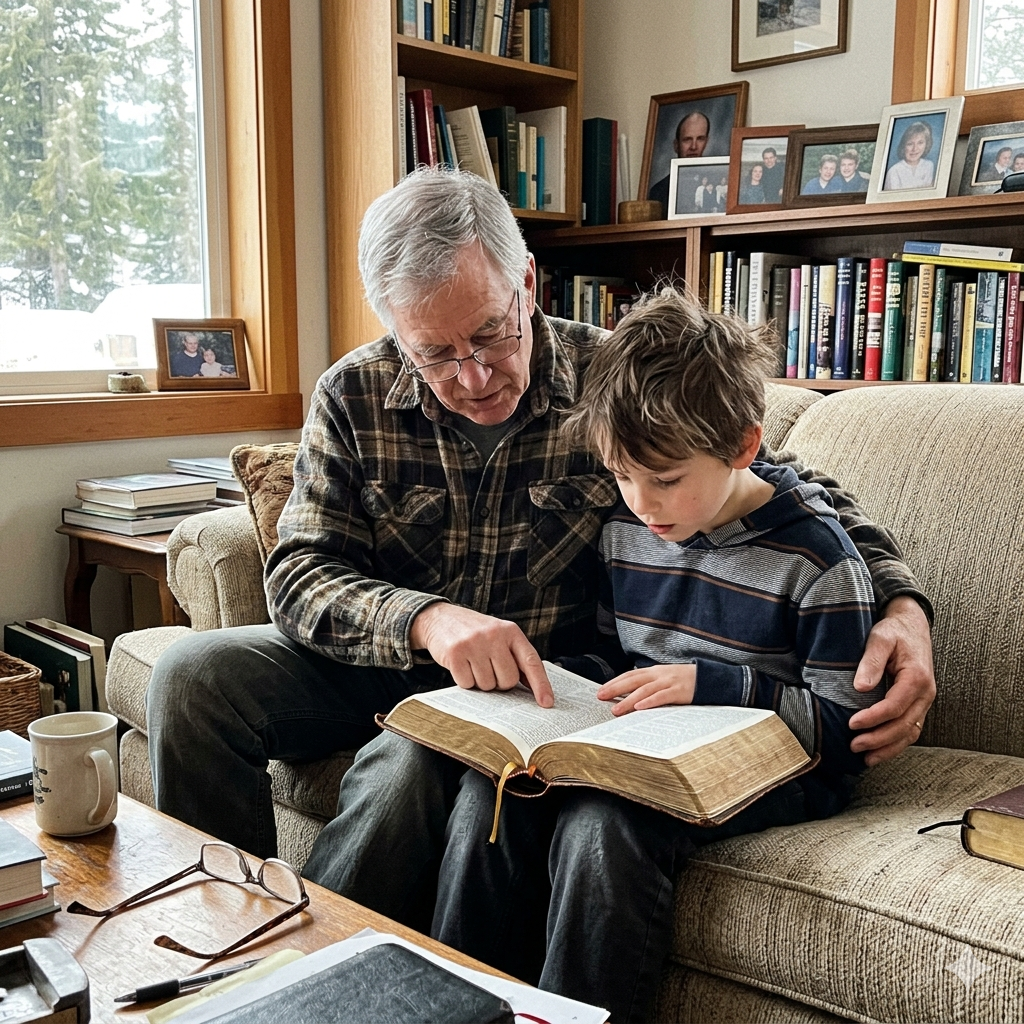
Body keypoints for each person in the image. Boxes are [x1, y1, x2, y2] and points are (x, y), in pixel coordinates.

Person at [145, 166, 935, 911]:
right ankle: (225, 938)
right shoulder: (352, 393)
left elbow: (786, 486)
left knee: (406, 767)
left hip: (542, 688)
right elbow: (298, 573)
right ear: (393, 330)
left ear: (526, 284)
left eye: (491, 334)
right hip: (379, 660)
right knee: (189, 674)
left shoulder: (609, 375)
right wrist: (425, 620)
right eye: (436, 355)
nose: (476, 375)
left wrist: (901, 603)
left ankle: (316, 966)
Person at [428, 289, 885, 1022]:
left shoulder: (816, 558)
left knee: (603, 827)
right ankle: (455, 1005)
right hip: (648, 751)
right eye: (621, 475)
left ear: (743, 445)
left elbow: (849, 736)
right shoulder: (629, 527)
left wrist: (714, 686)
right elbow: (616, 653)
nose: (641, 501)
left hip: (778, 772)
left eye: (665, 479)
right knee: (499, 789)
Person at [649, 111, 711, 211]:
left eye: (700, 139)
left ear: (706, 142)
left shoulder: (716, 182)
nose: (694, 147)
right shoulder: (659, 191)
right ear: (676, 145)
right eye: (687, 140)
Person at [883, 121, 935, 191]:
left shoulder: (929, 166)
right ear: (903, 146)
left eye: (920, 143)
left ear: (926, 144)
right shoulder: (894, 171)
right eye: (910, 144)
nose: (915, 149)